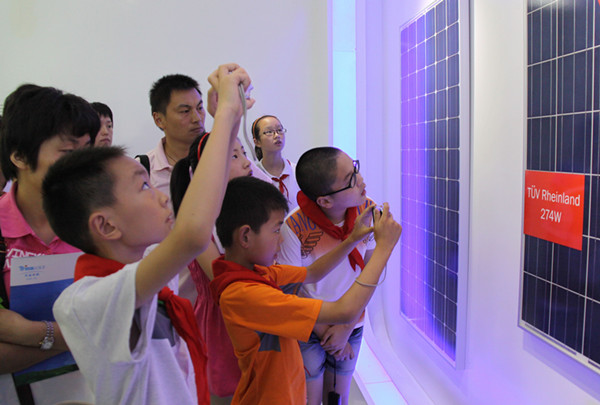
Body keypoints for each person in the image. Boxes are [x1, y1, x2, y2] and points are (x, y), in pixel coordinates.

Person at [42, 63, 253, 405]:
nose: (161, 196)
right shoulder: (86, 300)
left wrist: (228, 119)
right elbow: (192, 233)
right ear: (106, 225)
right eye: (143, 186)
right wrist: (227, 114)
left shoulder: (149, 269)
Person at [209, 176, 401, 404]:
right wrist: (384, 248)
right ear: (245, 236)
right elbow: (345, 311)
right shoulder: (244, 294)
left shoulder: (259, 273)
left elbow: (312, 272)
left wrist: (351, 239)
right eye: (276, 230)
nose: (281, 240)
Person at [0, 84, 98, 405]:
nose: (82, 165)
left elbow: (122, 325)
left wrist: (31, 334)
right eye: (68, 154)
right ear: (19, 156)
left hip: (96, 390)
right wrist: (78, 334)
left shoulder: (100, 224)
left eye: (87, 151)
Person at [277, 146, 377, 405]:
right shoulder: (294, 227)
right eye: (350, 179)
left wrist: (345, 328)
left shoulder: (368, 211)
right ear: (325, 201)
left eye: (355, 169)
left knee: (338, 397)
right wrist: (326, 332)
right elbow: (291, 288)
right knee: (309, 397)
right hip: (310, 325)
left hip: (352, 323)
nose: (361, 180)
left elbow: (372, 270)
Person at [169, 132, 253, 403]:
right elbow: (222, 281)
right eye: (234, 156)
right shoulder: (199, 223)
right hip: (223, 322)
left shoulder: (243, 212)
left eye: (244, 153)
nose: (247, 162)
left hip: (253, 312)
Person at [252, 115, 300, 210]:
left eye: (279, 130)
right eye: (269, 132)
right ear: (257, 142)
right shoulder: (253, 177)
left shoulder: (298, 172)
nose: (277, 135)